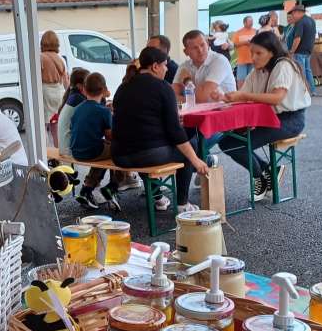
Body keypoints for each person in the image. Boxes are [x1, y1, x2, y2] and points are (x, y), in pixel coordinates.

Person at [112, 47, 209, 213]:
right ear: (155, 66)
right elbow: (175, 132)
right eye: (164, 65)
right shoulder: (162, 87)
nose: (166, 69)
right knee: (190, 145)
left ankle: (157, 196)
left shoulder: (123, 87)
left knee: (146, 148)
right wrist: (196, 160)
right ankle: (183, 204)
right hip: (147, 155)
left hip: (119, 155)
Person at [220, 32, 311, 201]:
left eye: (258, 53)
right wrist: (225, 97)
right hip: (266, 118)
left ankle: (259, 178)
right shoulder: (256, 72)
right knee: (226, 142)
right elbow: (242, 94)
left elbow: (277, 97)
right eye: (251, 53)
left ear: (272, 52)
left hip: (290, 120)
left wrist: (242, 97)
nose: (253, 57)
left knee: (237, 145)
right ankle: (269, 170)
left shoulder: (283, 65)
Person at [70, 72, 123, 210]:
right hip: (92, 151)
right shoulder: (103, 111)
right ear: (104, 90)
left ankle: (86, 190)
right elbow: (110, 137)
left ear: (85, 90)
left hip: (75, 150)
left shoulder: (78, 108)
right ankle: (113, 186)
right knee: (121, 151)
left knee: (102, 153)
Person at [172, 30, 236, 103]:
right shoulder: (184, 66)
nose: (200, 50)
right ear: (186, 52)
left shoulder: (219, 61)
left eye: (202, 45)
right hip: (199, 111)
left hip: (225, 110)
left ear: (208, 44)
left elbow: (202, 98)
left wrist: (187, 80)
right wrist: (191, 100)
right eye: (194, 48)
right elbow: (172, 96)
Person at [40, 30, 69, 146]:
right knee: (56, 126)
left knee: (43, 126)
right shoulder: (61, 59)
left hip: (45, 93)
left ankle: (46, 155)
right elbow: (66, 81)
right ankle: (59, 154)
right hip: (59, 92)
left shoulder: (40, 58)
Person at [56, 67, 89, 157]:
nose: (90, 87)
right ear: (79, 86)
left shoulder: (72, 96)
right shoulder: (79, 99)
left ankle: (94, 172)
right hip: (69, 150)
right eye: (88, 84)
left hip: (64, 147)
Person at [289, 4, 317, 95]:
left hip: (300, 51)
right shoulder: (312, 21)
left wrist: (292, 51)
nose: (292, 16)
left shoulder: (300, 22)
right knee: (308, 70)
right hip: (308, 50)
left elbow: (297, 38)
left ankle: (304, 92)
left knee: (301, 72)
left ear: (298, 12)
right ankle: (312, 90)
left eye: (292, 14)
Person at [232, 16, 257, 87]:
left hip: (253, 60)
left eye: (252, 21)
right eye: (250, 21)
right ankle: (241, 96)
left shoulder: (255, 31)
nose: (251, 23)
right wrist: (245, 42)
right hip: (242, 61)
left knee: (253, 81)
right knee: (241, 81)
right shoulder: (238, 33)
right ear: (244, 22)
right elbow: (234, 44)